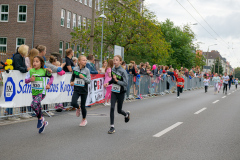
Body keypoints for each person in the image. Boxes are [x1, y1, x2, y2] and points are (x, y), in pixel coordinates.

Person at [25, 56, 54, 133]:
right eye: (34, 61)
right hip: (34, 93)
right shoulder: (31, 71)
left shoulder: (44, 71)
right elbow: (26, 81)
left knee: (33, 104)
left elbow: (52, 77)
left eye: (37, 61)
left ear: (41, 63)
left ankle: (40, 119)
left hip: (42, 92)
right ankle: (43, 123)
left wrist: (49, 84)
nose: (34, 63)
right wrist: (30, 80)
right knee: (38, 108)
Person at [104, 55, 130, 134]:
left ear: (120, 62)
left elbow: (125, 83)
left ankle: (126, 114)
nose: (115, 61)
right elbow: (112, 79)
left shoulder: (123, 71)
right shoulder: (113, 69)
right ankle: (112, 127)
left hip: (121, 91)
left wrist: (117, 80)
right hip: (114, 91)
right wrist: (108, 83)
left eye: (117, 60)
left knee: (119, 110)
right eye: (114, 59)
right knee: (112, 107)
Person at [70, 55, 91, 127]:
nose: (85, 61)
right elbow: (72, 77)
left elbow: (89, 81)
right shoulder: (75, 69)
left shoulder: (87, 70)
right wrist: (71, 82)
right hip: (76, 89)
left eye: (86, 60)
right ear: (79, 61)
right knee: (73, 103)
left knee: (83, 106)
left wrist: (84, 77)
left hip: (84, 90)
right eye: (83, 60)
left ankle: (84, 119)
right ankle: (78, 107)